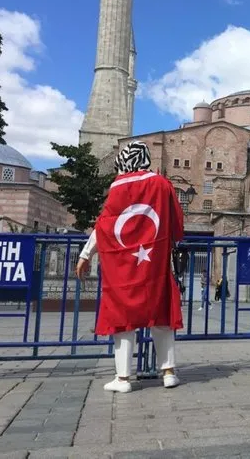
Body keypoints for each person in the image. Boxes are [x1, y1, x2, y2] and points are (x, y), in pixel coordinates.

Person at [75, 141, 184, 393]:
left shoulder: (117, 186)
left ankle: (123, 378)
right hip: (154, 262)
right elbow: (176, 221)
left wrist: (85, 254)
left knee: (123, 317)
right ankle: (168, 372)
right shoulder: (161, 183)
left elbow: (105, 224)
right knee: (161, 314)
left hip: (123, 266)